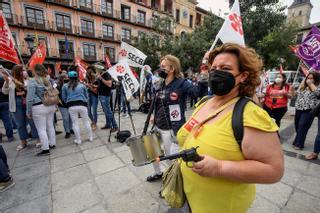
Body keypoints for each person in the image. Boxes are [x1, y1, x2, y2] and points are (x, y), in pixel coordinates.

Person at [177, 43, 284, 213]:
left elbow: (274, 170)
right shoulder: (204, 102)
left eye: (225, 68)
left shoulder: (250, 114)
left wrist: (220, 168)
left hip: (222, 206)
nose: (216, 72)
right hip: (189, 199)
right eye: (214, 68)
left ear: (243, 76)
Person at [146, 54, 199, 182]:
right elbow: (157, 102)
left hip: (171, 128)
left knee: (171, 157)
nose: (160, 68)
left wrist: (203, 75)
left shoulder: (181, 83)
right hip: (157, 125)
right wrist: (153, 115)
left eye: (163, 66)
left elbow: (196, 92)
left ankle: (172, 181)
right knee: (153, 151)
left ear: (172, 68)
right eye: (160, 66)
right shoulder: (160, 83)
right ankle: (158, 173)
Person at [2, 65, 39, 150]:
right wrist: (7, 82)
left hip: (27, 103)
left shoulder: (28, 80)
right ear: (16, 71)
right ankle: (23, 142)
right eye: (21, 70)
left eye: (23, 70)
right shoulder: (10, 80)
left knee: (32, 122)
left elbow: (30, 89)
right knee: (20, 124)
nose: (23, 72)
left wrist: (22, 84)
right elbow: (5, 92)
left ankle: (38, 139)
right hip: (16, 104)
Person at [27, 64, 56, 156]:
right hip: (50, 105)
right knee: (50, 126)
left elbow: (30, 98)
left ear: (35, 71)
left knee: (41, 129)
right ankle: (52, 143)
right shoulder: (47, 80)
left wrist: (28, 111)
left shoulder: (32, 81)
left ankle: (45, 149)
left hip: (38, 106)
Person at [62, 70, 93, 144]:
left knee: (75, 123)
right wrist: (85, 101)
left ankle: (78, 140)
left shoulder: (65, 86)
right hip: (82, 104)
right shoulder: (82, 85)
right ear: (77, 77)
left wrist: (68, 101)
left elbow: (63, 97)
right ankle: (90, 137)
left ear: (69, 77)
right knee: (86, 122)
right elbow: (86, 96)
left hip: (71, 105)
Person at [292, 72, 320, 150]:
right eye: (308, 78)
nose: (309, 80)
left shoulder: (317, 87)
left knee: (302, 125)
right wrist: (292, 90)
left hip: (309, 110)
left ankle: (299, 144)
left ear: (316, 79)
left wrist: (311, 84)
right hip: (299, 109)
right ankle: (297, 140)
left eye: (312, 78)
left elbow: (318, 93)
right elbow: (295, 95)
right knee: (297, 125)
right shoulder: (303, 86)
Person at [56, 73, 73, 138]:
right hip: (62, 105)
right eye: (65, 77)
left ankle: (71, 129)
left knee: (71, 117)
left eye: (67, 77)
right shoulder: (58, 86)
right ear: (61, 79)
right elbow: (56, 95)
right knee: (65, 118)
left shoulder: (70, 85)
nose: (67, 79)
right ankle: (67, 131)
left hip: (70, 104)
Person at [0, 70, 14, 143]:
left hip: (3, 102)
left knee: (6, 120)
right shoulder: (3, 78)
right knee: (6, 120)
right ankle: (10, 136)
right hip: (5, 101)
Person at [85, 66, 99, 130]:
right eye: (87, 71)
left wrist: (90, 86)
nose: (88, 73)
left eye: (89, 72)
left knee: (94, 110)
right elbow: (87, 88)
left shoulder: (96, 80)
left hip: (94, 96)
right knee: (88, 111)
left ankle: (94, 123)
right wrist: (86, 85)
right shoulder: (87, 79)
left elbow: (96, 92)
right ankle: (93, 121)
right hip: (89, 95)